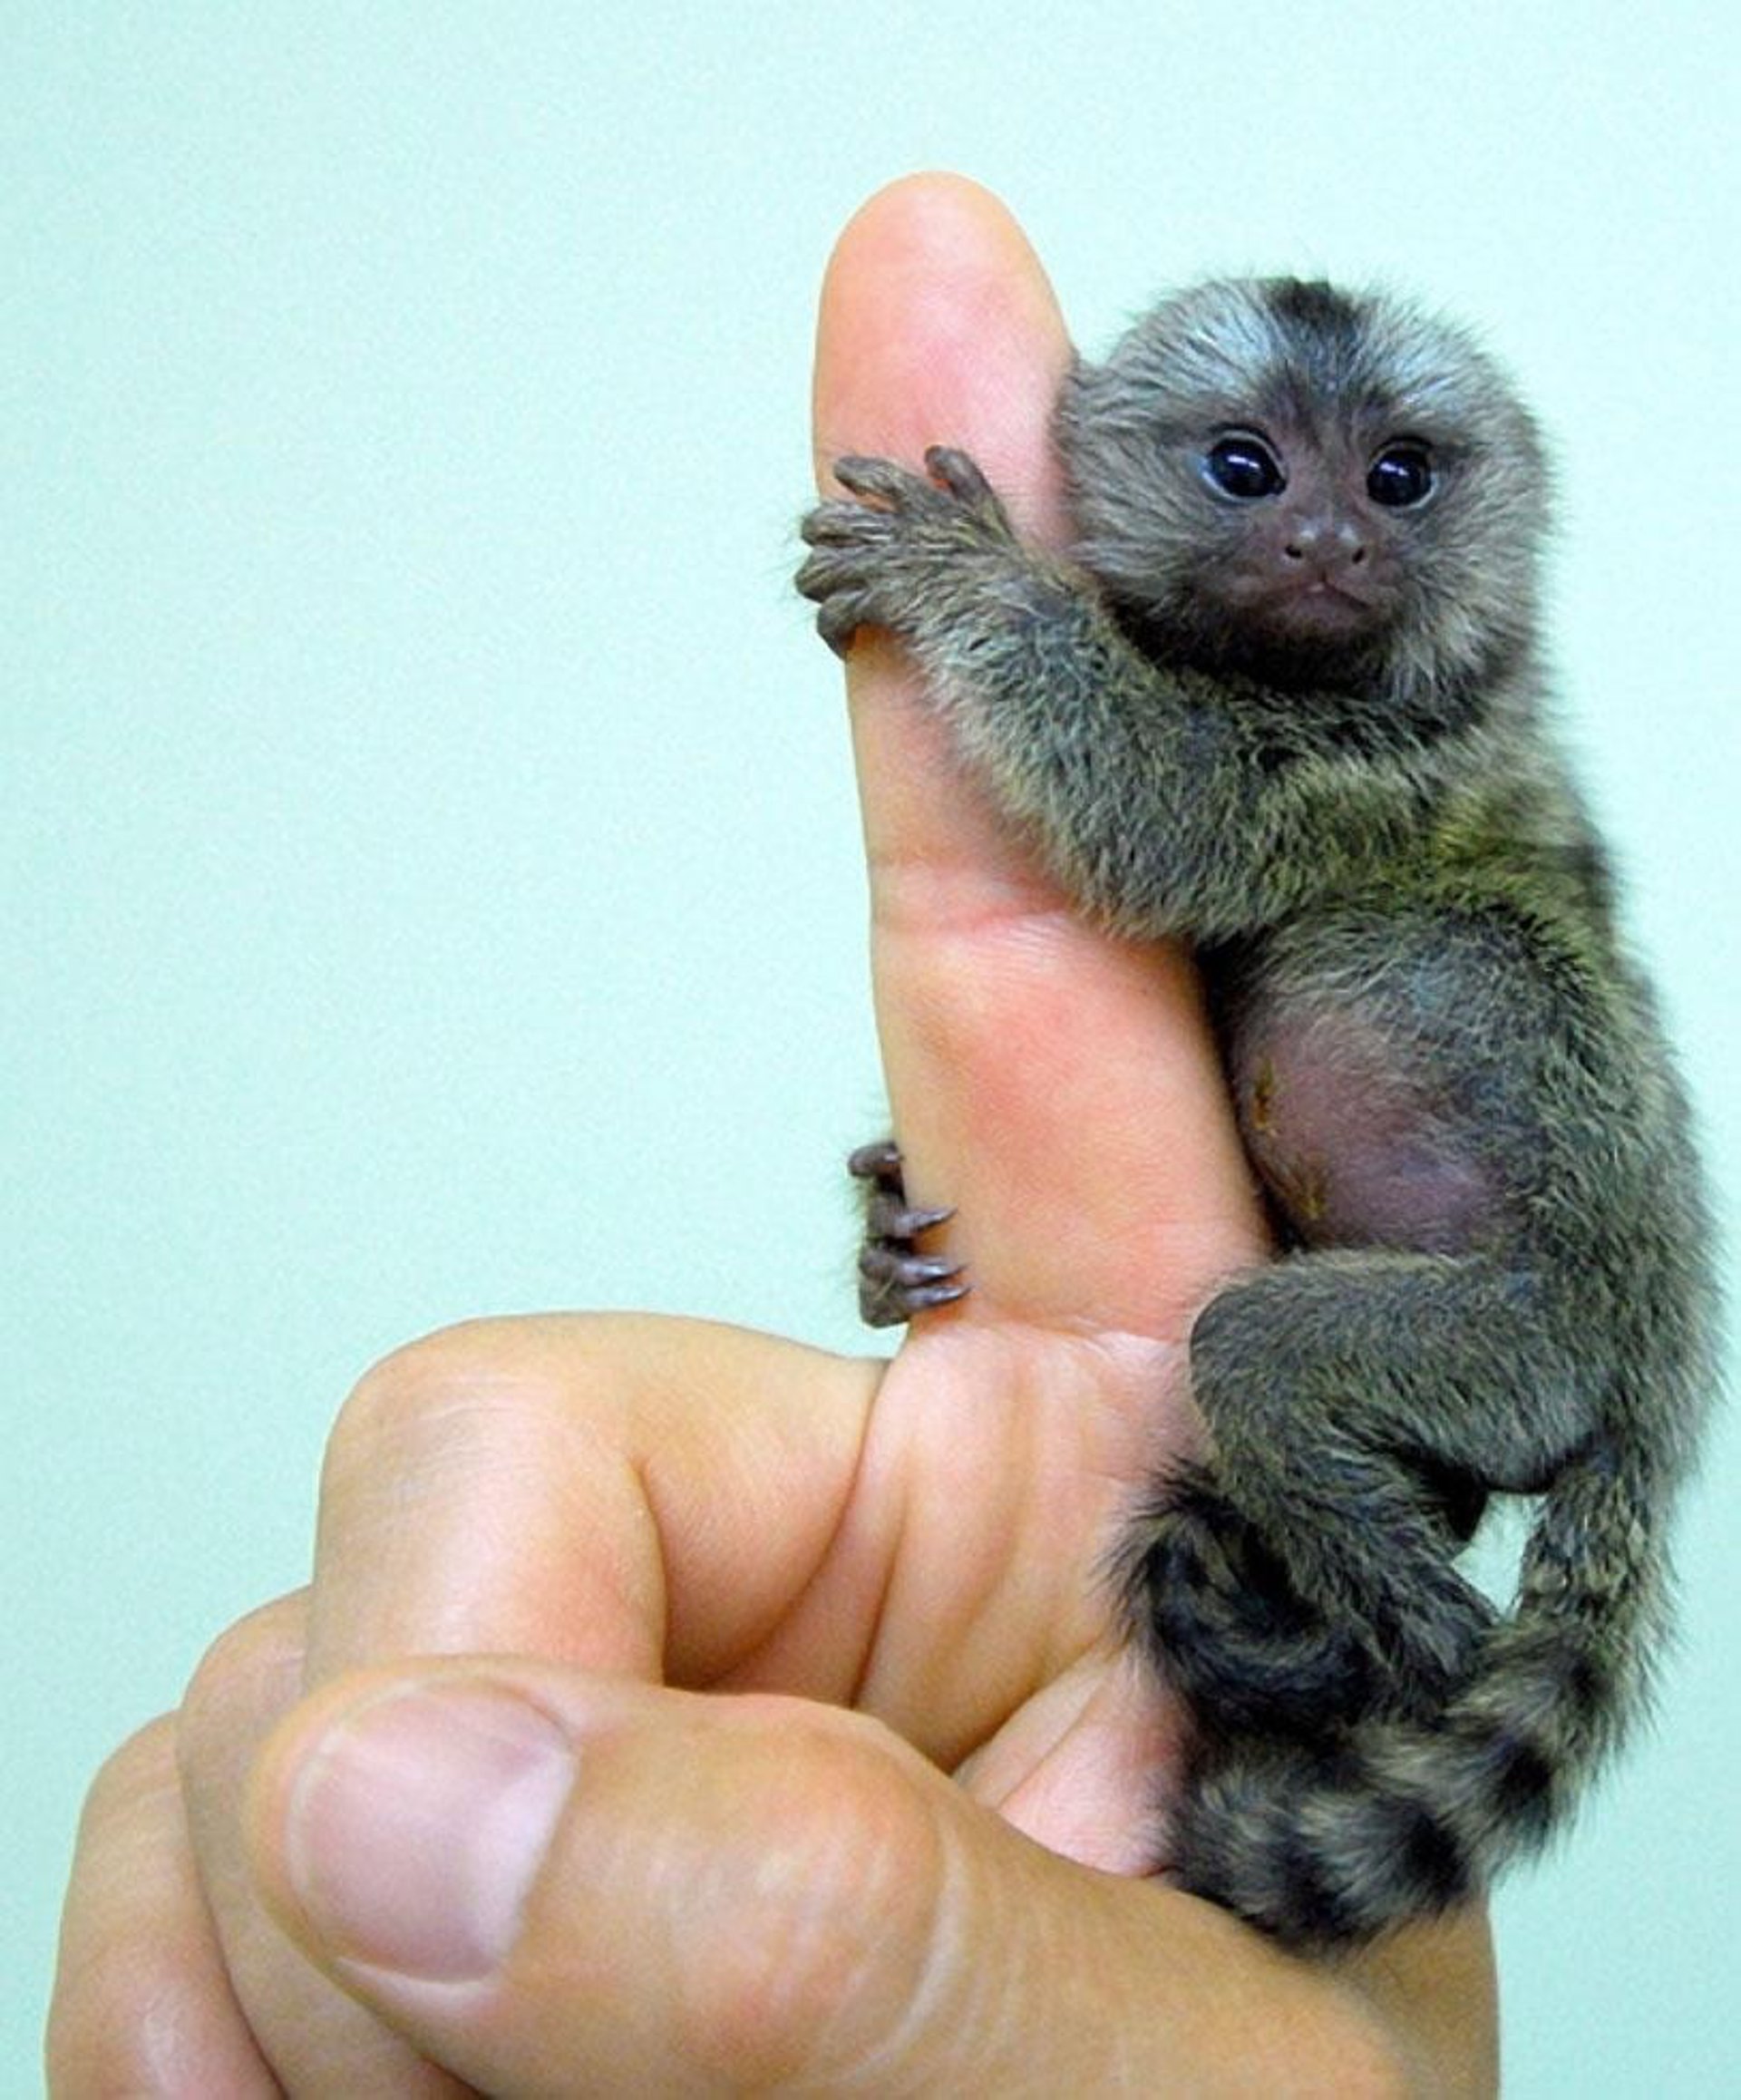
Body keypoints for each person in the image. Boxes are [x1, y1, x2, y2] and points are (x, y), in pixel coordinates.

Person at [47, 174, 1497, 2095]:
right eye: (1249, 469)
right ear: (1118, 479)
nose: (1325, 526)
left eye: (1396, 482)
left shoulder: (1418, 779)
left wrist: (980, 595)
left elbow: (1179, 846)